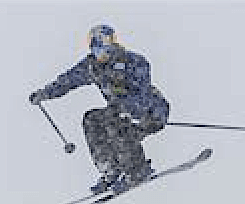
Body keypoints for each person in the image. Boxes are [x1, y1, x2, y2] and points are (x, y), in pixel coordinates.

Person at [29, 24, 170, 193]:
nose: (99, 51)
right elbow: (68, 80)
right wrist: (44, 93)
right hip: (118, 113)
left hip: (151, 111)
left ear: (113, 43)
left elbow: (144, 95)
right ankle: (110, 168)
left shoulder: (134, 62)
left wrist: (126, 107)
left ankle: (136, 169)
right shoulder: (92, 66)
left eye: (104, 44)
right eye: (95, 45)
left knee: (115, 118)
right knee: (92, 119)